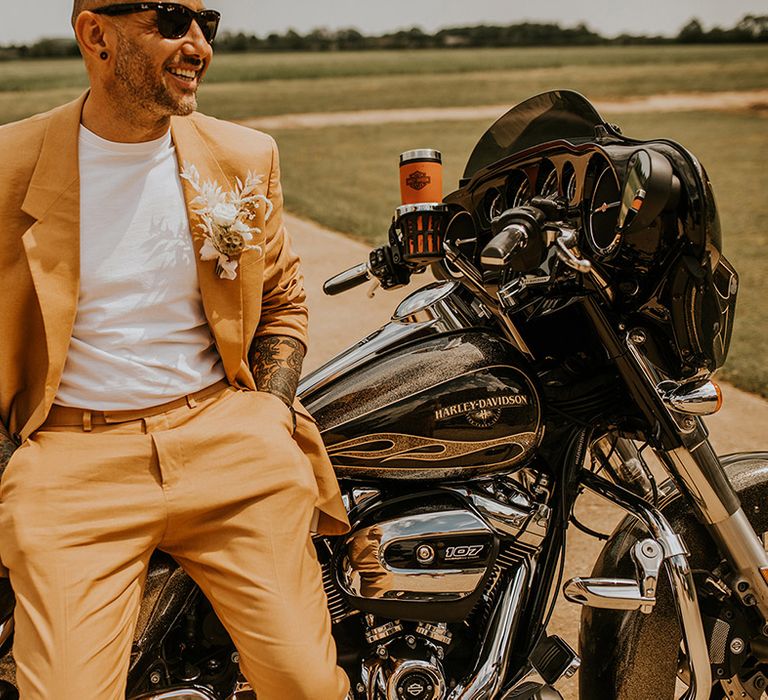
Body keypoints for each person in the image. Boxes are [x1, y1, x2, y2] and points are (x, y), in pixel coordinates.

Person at [0, 1, 351, 698]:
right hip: (73, 462)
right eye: (171, 20)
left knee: (308, 686)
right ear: (95, 34)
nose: (198, 46)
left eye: (207, 25)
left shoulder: (243, 157)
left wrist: (268, 414)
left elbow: (282, 302)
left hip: (228, 441)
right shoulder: (8, 164)